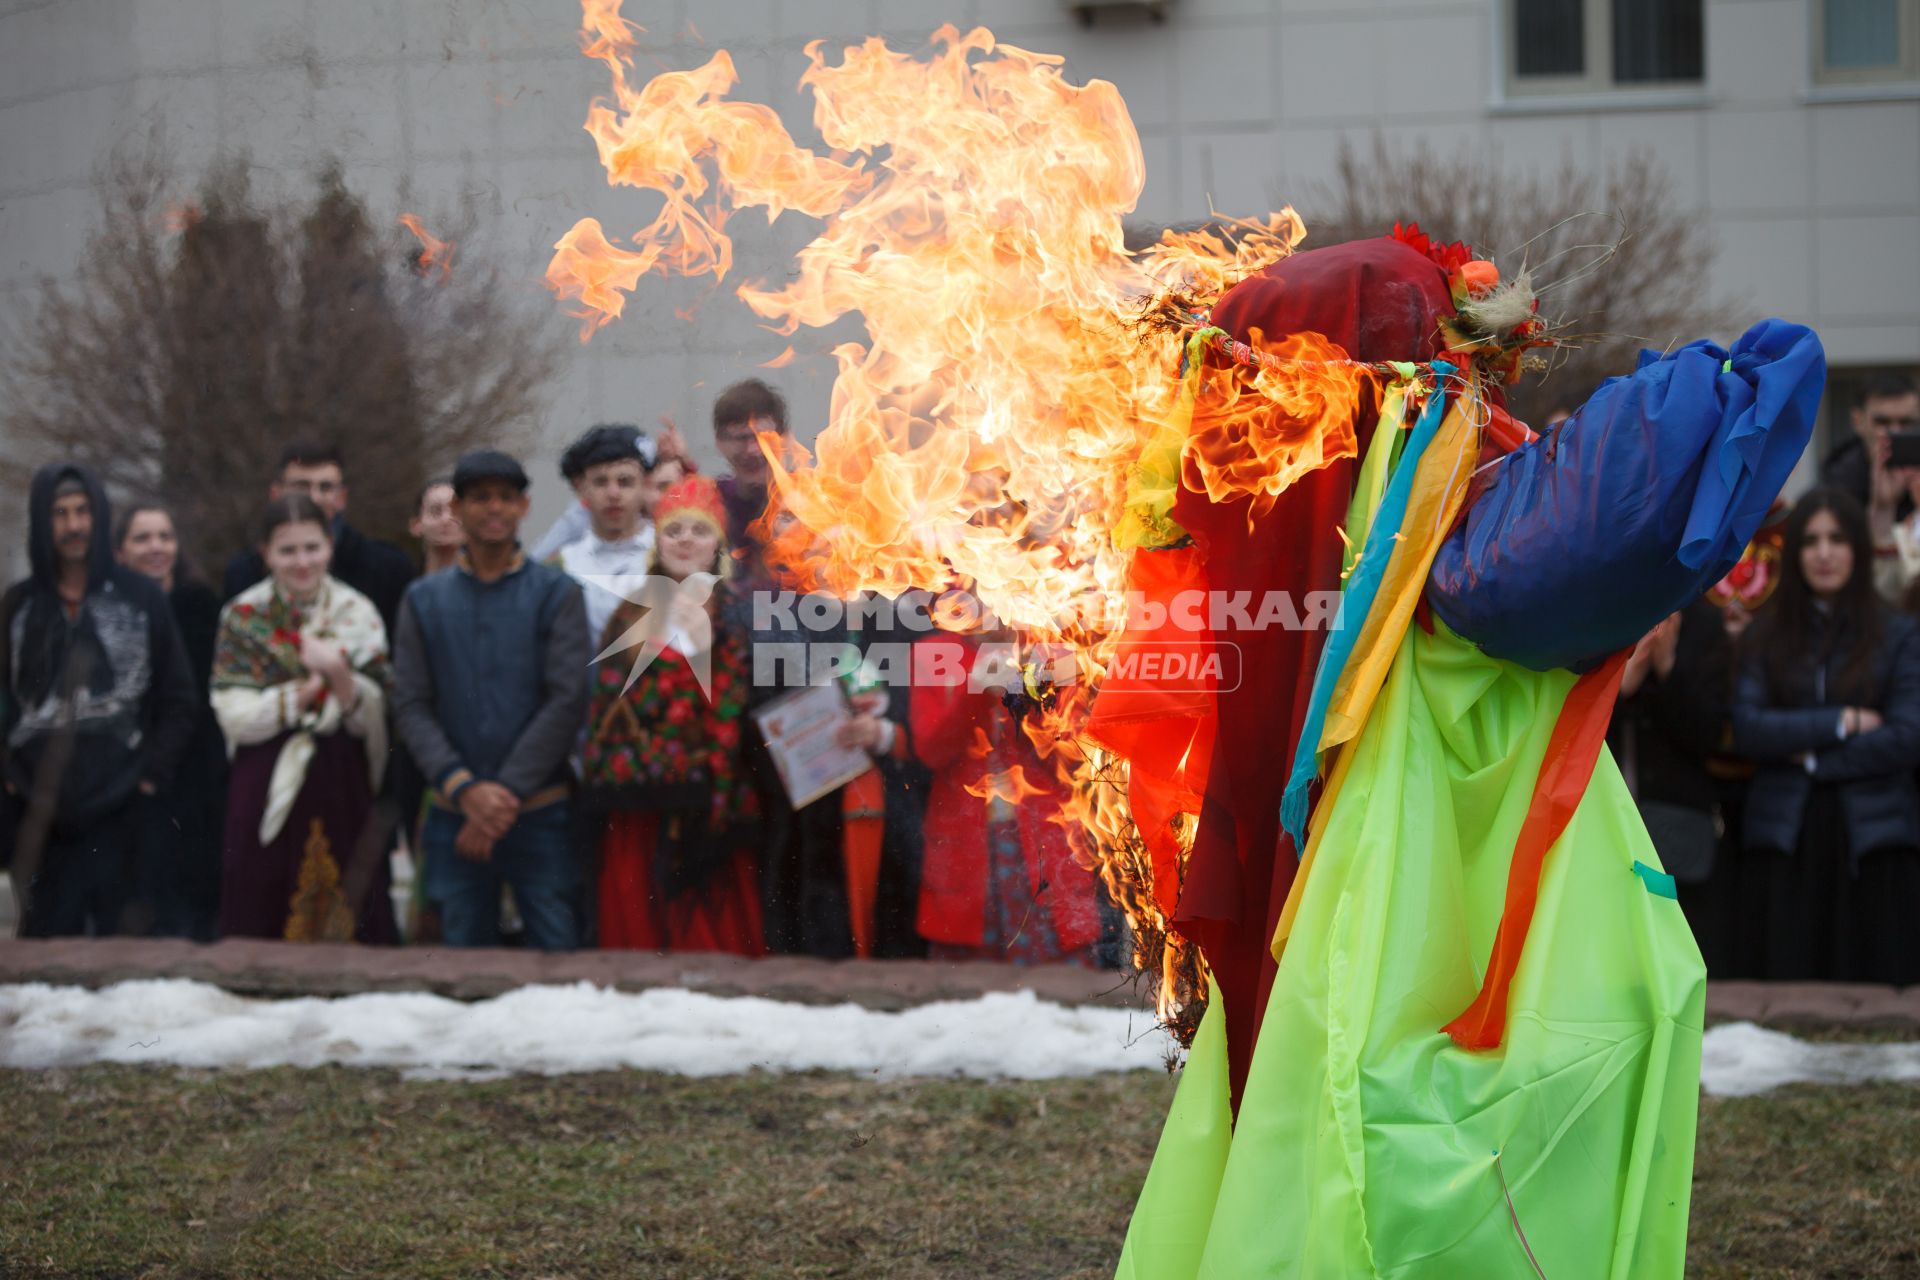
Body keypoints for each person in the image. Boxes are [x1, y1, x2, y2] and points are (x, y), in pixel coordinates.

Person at [1110, 232, 1822, 1276]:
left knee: (1367, 1129)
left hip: (1426, 903)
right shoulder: (1445, 526)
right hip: (1416, 895)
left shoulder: (1455, 530)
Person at [392, 450, 590, 951]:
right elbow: (411, 704)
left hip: (540, 813)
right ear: (458, 508)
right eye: (480, 498)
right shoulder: (424, 600)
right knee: (462, 967)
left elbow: (567, 699)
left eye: (506, 497)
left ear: (524, 506)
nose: (494, 509)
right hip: (454, 814)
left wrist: (501, 796)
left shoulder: (556, 593)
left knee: (558, 962)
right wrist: (465, 790)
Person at [1731, 487, 1920, 985]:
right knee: (1789, 989)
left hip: (1872, 836)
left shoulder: (1898, 634)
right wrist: (1843, 723)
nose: (1824, 553)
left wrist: (1809, 757)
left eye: (1837, 539)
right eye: (1811, 540)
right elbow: (1748, 729)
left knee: (1873, 995)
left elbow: (1907, 736)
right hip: (1787, 835)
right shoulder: (1765, 635)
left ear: (1857, 547)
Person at [0, 465, 196, 937]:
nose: (72, 526)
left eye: (83, 511)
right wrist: (10, 778)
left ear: (100, 517)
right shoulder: (18, 605)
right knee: (45, 956)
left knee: (126, 953)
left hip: (124, 809)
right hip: (40, 813)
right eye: (60, 513)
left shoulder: (142, 597)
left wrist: (150, 777)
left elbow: (178, 697)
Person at [580, 475, 765, 952]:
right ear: (657, 541)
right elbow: (608, 712)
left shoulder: (741, 617)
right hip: (641, 808)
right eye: (674, 529)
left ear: (719, 544)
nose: (685, 539)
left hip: (716, 808)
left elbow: (750, 708)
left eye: (699, 530)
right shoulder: (628, 617)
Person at [211, 495, 397, 943]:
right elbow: (232, 712)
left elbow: (372, 711)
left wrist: (337, 672)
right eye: (288, 550)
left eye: (312, 547)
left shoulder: (358, 612)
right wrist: (306, 692)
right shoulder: (242, 617)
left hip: (341, 776)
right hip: (266, 776)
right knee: (261, 899)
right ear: (266, 553)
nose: (302, 561)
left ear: (330, 545)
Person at [909, 630, 1102, 963]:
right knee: (967, 989)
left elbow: (1075, 756)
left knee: (1061, 986)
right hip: (966, 848)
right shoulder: (935, 652)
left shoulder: (1050, 648)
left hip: (1044, 839)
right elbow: (931, 750)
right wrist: (976, 693)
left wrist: (1030, 700)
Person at [116, 504, 228, 940]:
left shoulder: (201, 607)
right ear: (120, 551)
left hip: (196, 778)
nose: (156, 547)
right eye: (142, 538)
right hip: (129, 778)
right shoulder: (113, 612)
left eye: (165, 536)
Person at [1608, 599, 1736, 971]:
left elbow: (1710, 734)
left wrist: (1668, 670)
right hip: (1606, 815)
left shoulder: (1704, 622)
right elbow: (1569, 729)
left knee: (1673, 947)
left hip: (1676, 824)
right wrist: (1621, 687)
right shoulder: (1601, 603)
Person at [222, 440, 415, 632]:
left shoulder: (388, 570)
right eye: (301, 486)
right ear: (276, 493)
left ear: (341, 497)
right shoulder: (243, 574)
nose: (313, 498)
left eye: (325, 487)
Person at [553, 424, 658, 647]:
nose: (613, 494)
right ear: (582, 488)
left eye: (625, 482)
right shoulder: (564, 565)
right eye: (601, 482)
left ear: (645, 486)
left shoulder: (670, 555)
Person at [711, 378, 792, 556]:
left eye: (763, 438)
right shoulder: (713, 502)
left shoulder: (812, 501)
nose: (752, 450)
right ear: (719, 443)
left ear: (784, 438)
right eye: (740, 439)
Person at [1822, 372, 1920, 513]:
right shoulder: (1836, 487)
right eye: (1882, 422)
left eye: (1906, 422)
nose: (1895, 432)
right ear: (1858, 422)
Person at [409, 477, 463, 577]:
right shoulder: (400, 585)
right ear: (416, 525)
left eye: (456, 512)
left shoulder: (489, 586)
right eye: (435, 511)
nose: (446, 519)